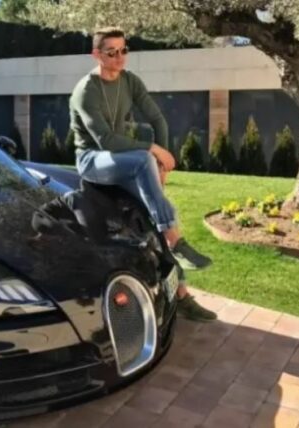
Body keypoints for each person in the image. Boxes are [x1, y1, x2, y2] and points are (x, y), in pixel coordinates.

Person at [69, 26, 216, 321]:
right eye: (112, 52)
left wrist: (160, 164)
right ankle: (176, 240)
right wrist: (155, 150)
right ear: (96, 54)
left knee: (156, 211)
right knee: (143, 161)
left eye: (124, 50)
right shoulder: (86, 91)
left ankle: (182, 295)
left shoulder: (129, 81)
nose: (120, 57)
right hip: (92, 160)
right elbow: (106, 141)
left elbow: (157, 119)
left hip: (122, 160)